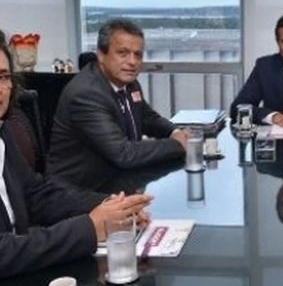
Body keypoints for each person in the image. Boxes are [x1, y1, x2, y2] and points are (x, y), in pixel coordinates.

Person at [0, 39, 152, 277]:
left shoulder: (3, 132)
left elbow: (36, 195)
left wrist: (110, 207)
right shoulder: (84, 92)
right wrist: (89, 228)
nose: (0, 88)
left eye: (3, 77)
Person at [47, 19, 188, 189]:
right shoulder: (86, 93)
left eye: (138, 55)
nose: (132, 62)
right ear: (101, 55)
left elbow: (147, 118)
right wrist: (178, 144)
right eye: (123, 53)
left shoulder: (129, 83)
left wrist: (175, 132)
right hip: (80, 190)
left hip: (119, 181)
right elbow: (123, 154)